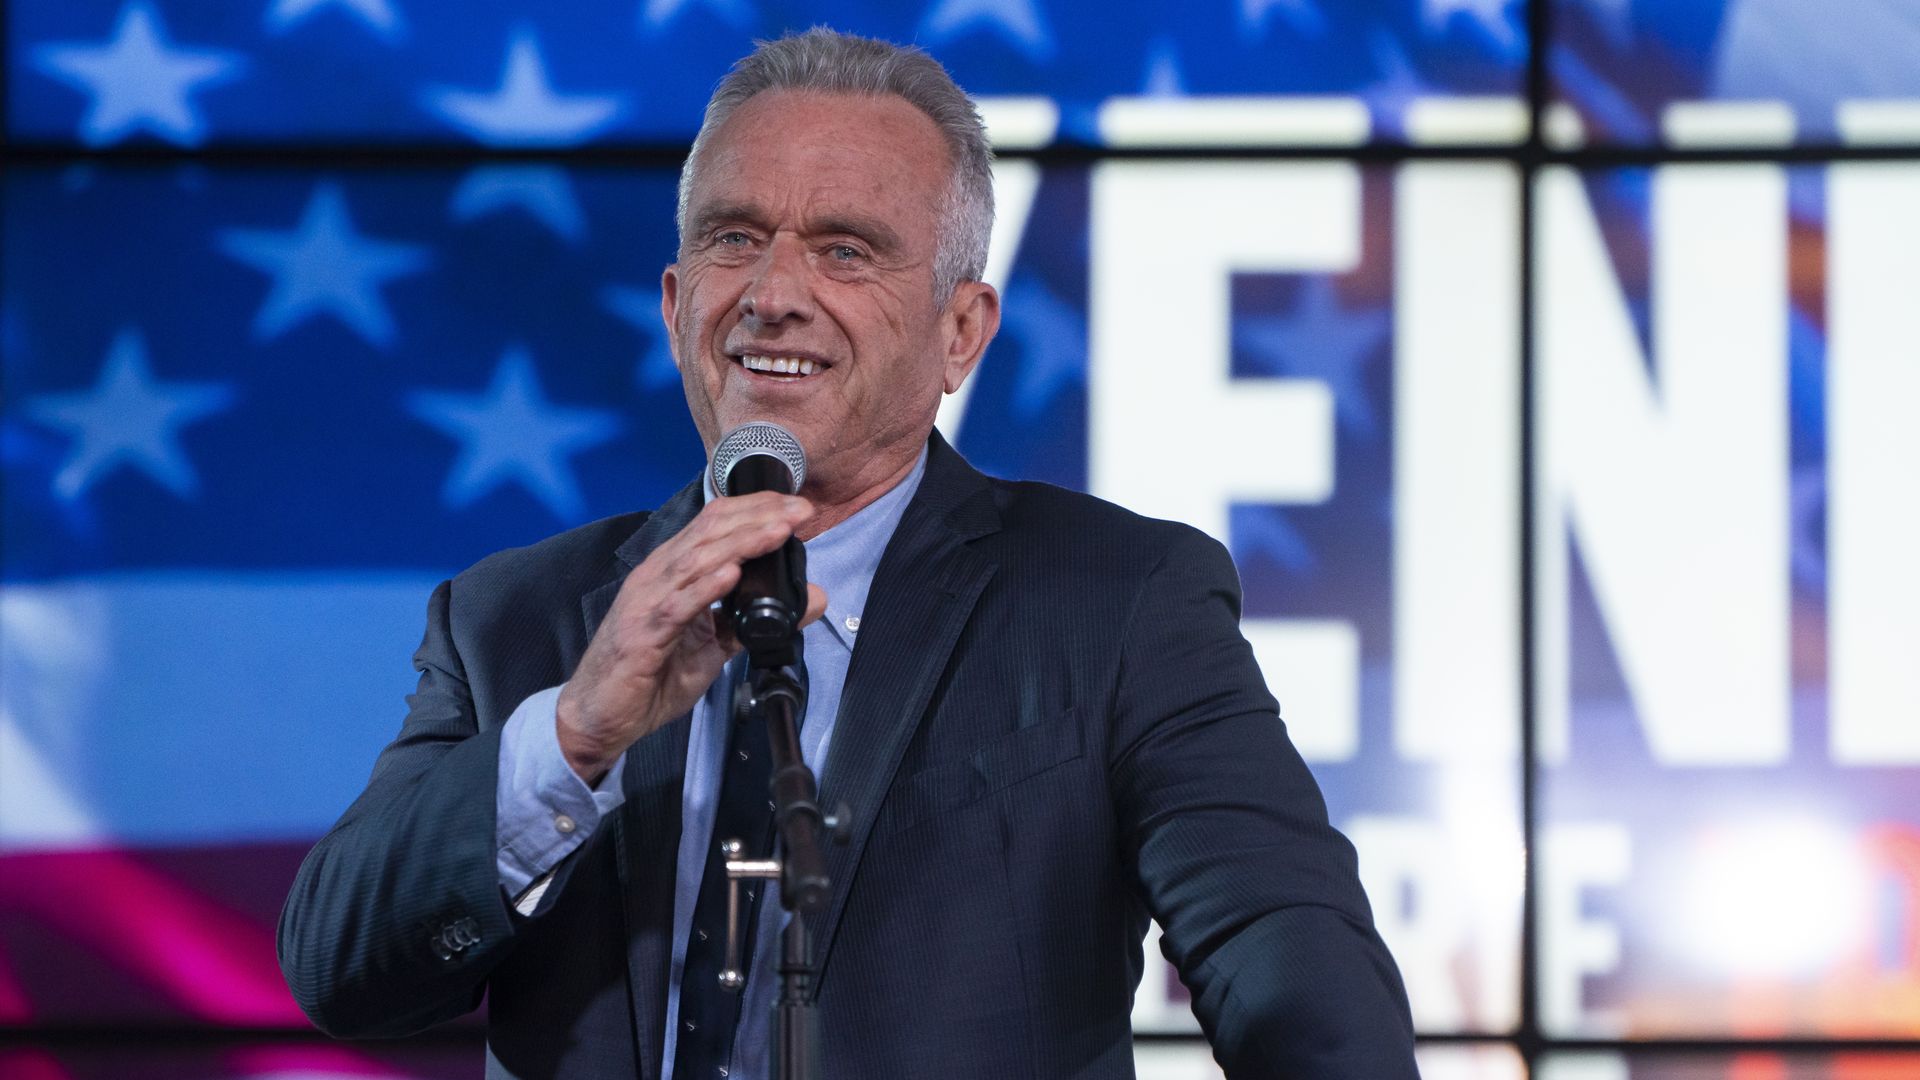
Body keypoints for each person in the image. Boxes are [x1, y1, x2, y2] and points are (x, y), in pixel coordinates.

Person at [278, 28, 1418, 1080]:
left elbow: (1282, 947)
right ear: (678, 304)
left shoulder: (1117, 602)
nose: (775, 295)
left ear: (960, 333)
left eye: (847, 249)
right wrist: (575, 734)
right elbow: (343, 970)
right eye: (736, 239)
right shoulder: (515, 619)